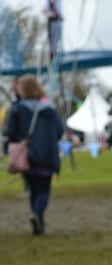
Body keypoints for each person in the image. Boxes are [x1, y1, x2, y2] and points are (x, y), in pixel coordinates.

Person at [5, 74, 64, 235]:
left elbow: (10, 132)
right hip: (49, 154)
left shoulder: (18, 109)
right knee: (44, 188)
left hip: (28, 154)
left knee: (33, 188)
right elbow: (59, 130)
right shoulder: (50, 109)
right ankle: (38, 215)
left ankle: (36, 215)